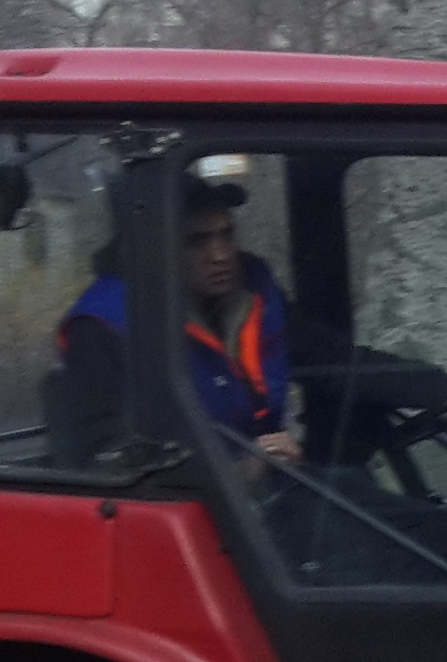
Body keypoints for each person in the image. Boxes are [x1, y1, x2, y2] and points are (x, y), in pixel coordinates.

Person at [58, 178, 298, 464]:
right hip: (197, 499)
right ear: (153, 246)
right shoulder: (101, 326)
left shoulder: (255, 287)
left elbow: (325, 352)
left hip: (276, 486)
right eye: (197, 242)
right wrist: (246, 472)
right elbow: (108, 469)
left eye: (227, 235)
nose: (220, 256)